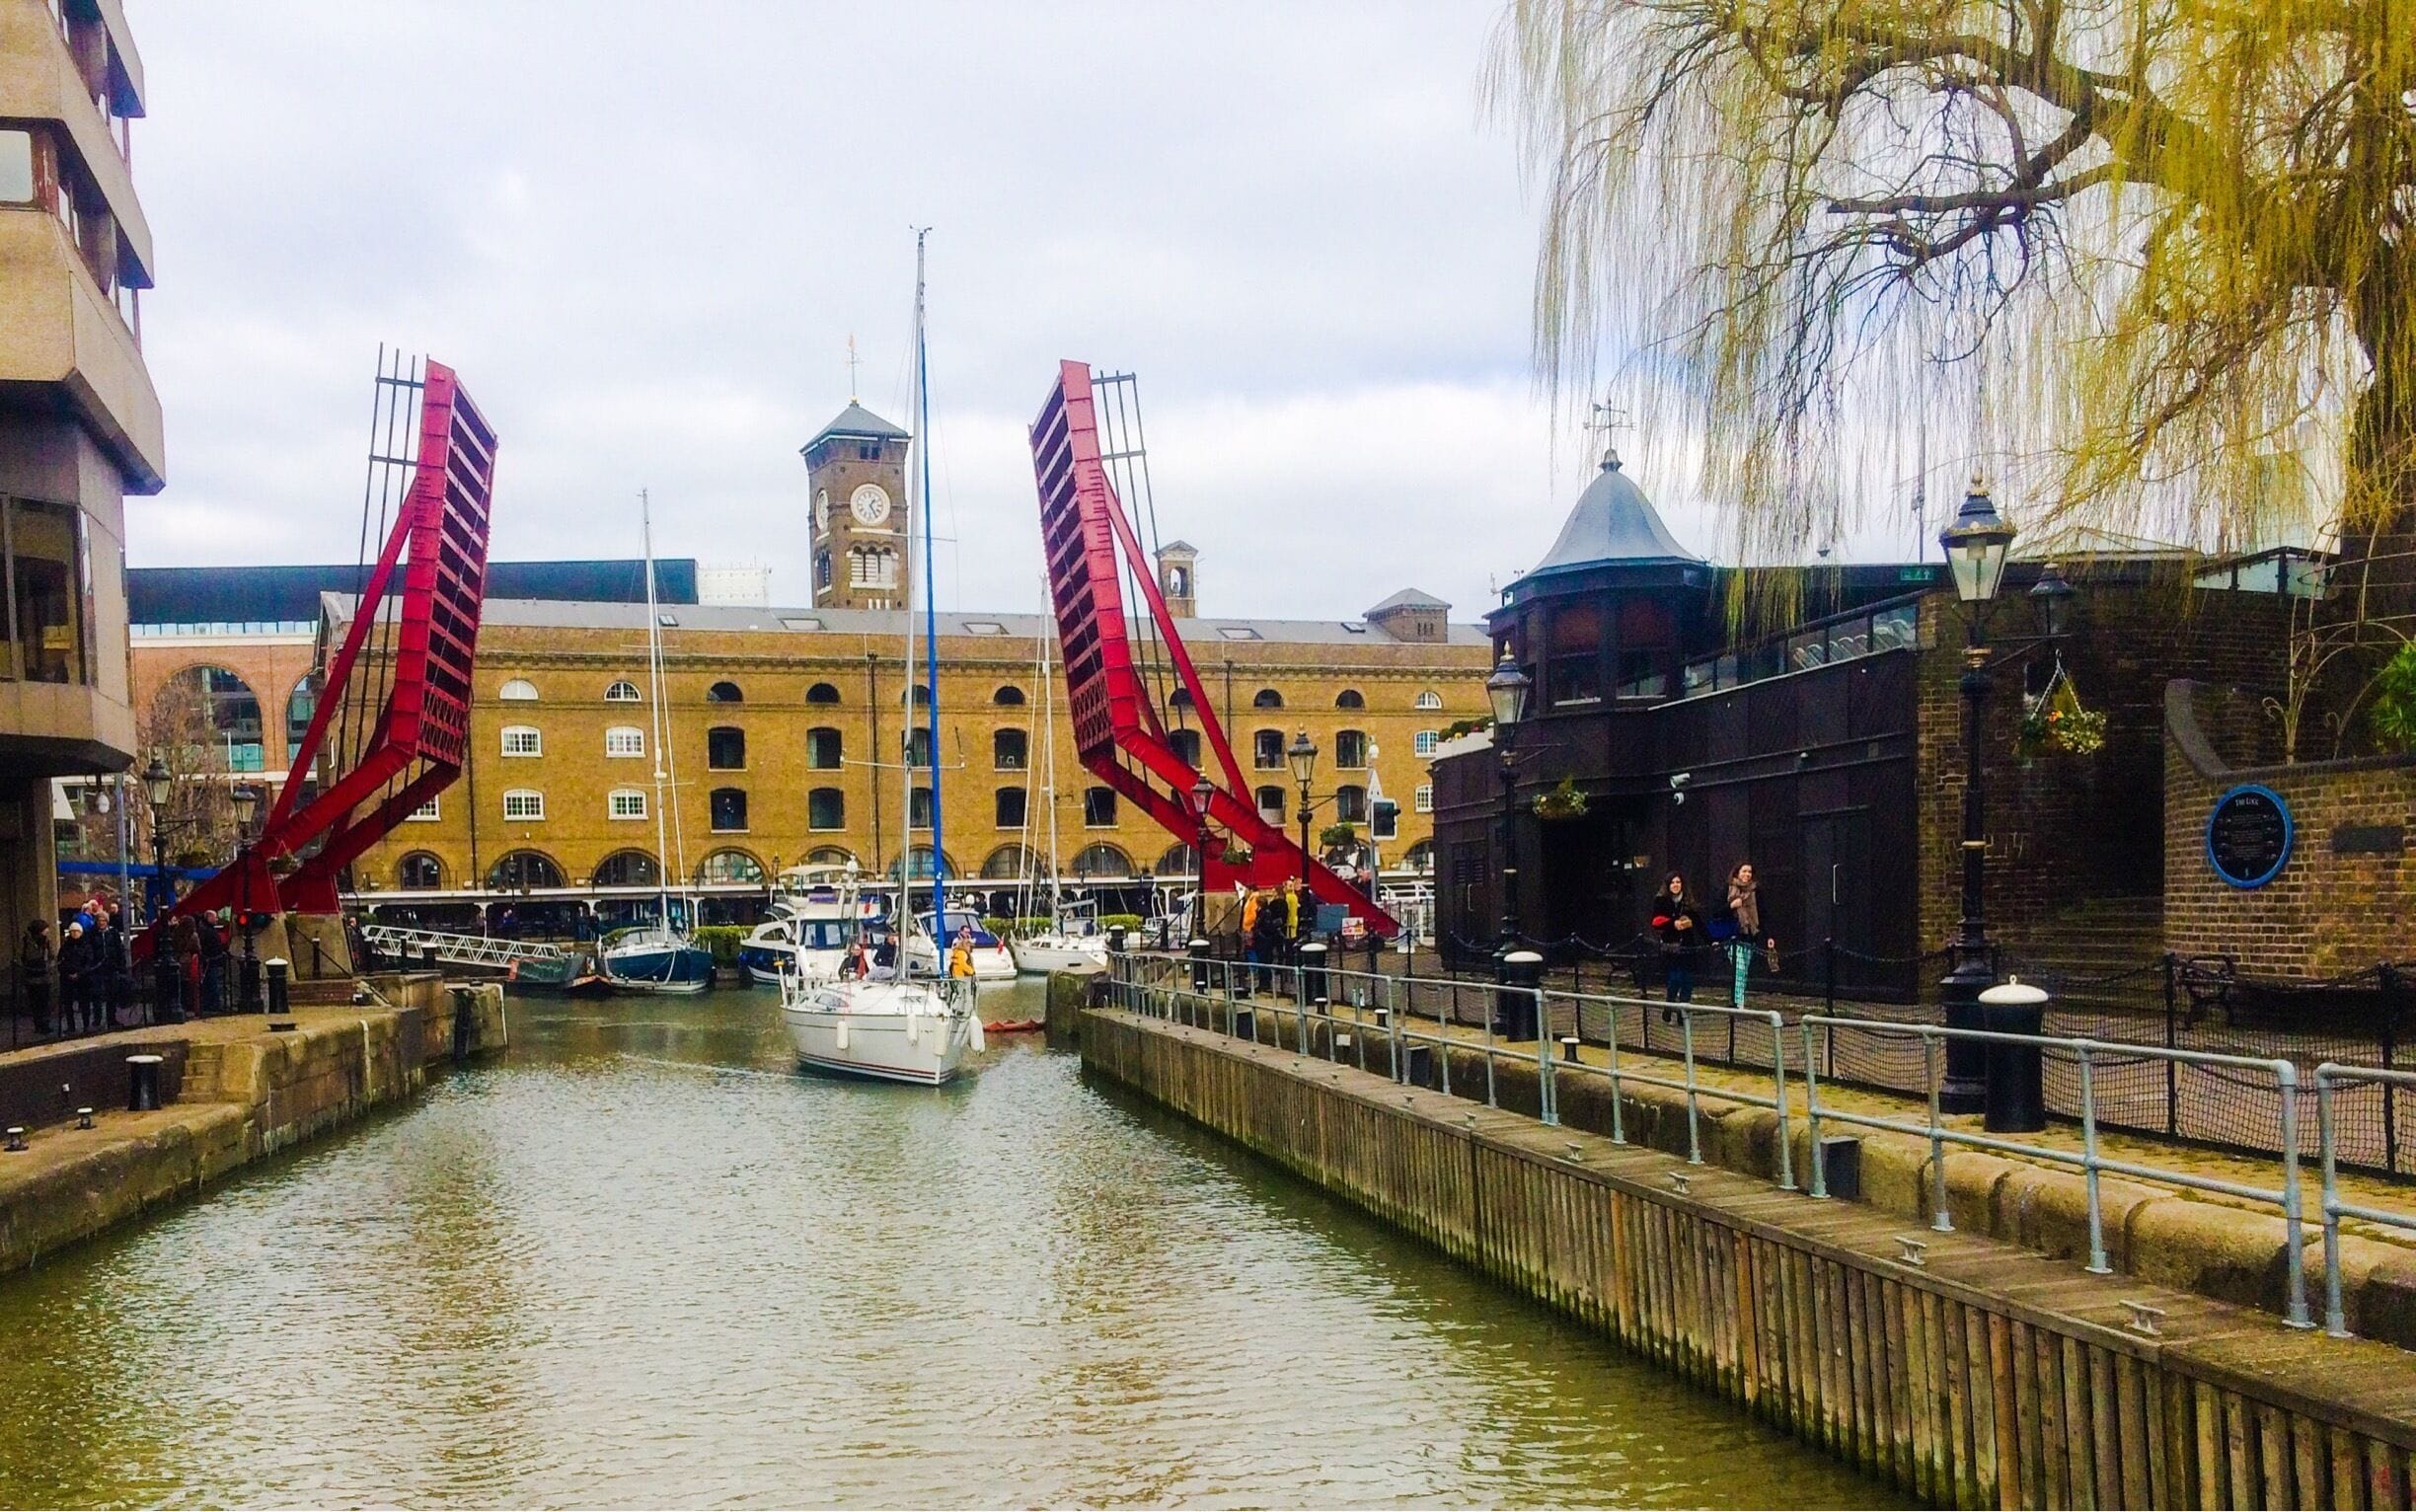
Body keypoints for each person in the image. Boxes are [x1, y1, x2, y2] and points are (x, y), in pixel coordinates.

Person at [1717, 862, 1775, 1009]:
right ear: (1737, 873)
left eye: (1749, 872)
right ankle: (1738, 1003)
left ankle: (1737, 999)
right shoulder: (1728, 889)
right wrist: (1731, 906)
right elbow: (1716, 912)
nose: (1747, 875)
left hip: (1749, 936)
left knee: (1744, 971)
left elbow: (1762, 914)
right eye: (1744, 871)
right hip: (1732, 936)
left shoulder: (1756, 891)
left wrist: (1768, 936)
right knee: (1740, 968)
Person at [1650, 871, 1700, 1009]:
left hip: (1687, 946)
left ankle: (1683, 1012)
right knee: (1675, 978)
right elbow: (1656, 922)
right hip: (1671, 946)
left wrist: (1711, 940)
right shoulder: (1661, 901)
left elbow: (1699, 923)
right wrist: (1673, 923)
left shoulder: (1688, 902)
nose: (1675, 885)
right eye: (1672, 882)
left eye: (1678, 882)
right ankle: (1669, 1004)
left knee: (1688, 981)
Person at [18, 919, 54, 1035]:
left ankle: (44, 1025)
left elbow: (52, 955)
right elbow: (21, 956)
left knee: (44, 1002)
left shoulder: (47, 941)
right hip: (32, 975)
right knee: (35, 1003)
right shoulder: (26, 941)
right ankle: (38, 1025)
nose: (47, 931)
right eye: (45, 929)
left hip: (44, 974)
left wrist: (49, 966)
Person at [58, 921, 95, 1033]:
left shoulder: (86, 945)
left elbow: (89, 962)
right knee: (68, 1004)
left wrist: (79, 973)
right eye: (72, 931)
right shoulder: (65, 946)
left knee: (84, 1003)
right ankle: (71, 1026)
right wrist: (66, 973)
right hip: (67, 978)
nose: (74, 933)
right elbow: (60, 961)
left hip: (83, 978)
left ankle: (86, 1025)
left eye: (77, 931)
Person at [1248, 890, 1285, 996]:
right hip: (1261, 941)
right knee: (1262, 961)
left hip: (1264, 941)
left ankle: (1265, 983)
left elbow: (1267, 927)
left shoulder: (1265, 913)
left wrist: (1258, 932)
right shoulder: (1262, 912)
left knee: (1264, 961)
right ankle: (1263, 982)